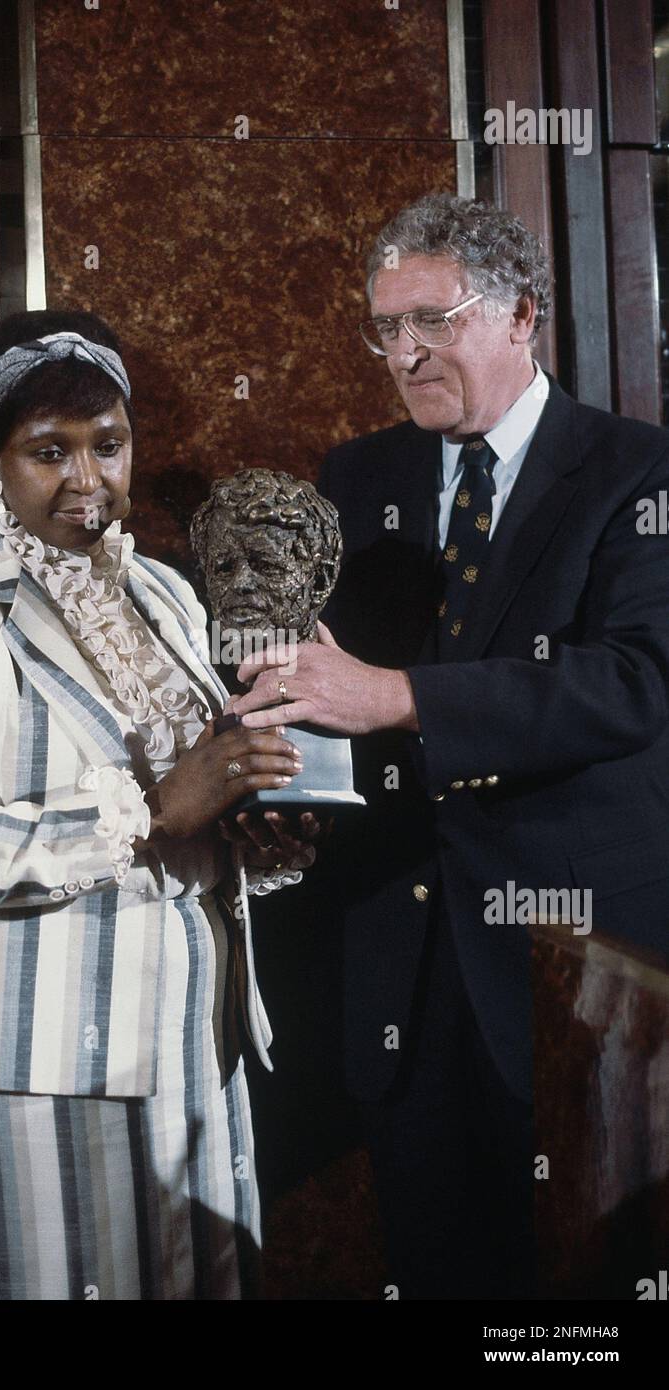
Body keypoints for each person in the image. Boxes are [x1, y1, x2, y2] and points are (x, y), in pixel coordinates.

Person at [230, 194, 669, 1299]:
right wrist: (285, 782)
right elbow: (331, 699)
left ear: (521, 313)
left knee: (583, 1289)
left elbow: (631, 683)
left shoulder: (636, 472)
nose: (404, 351)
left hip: (572, 969)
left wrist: (392, 696)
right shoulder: (356, 478)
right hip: (399, 967)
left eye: (431, 317)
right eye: (383, 327)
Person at [0, 308, 320, 1301]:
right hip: (43, 1048)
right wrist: (151, 810)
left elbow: (196, 805)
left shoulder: (160, 591)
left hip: (197, 1037)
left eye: (107, 445)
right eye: (46, 451)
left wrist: (254, 830)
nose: (85, 478)